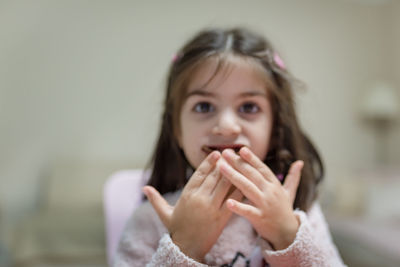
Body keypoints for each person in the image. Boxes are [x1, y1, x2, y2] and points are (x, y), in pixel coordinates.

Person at [114, 27, 346, 267]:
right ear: (177, 130)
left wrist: (286, 236)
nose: (226, 126)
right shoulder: (149, 221)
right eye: (204, 106)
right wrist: (185, 246)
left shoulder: (300, 213)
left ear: (275, 129)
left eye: (248, 107)